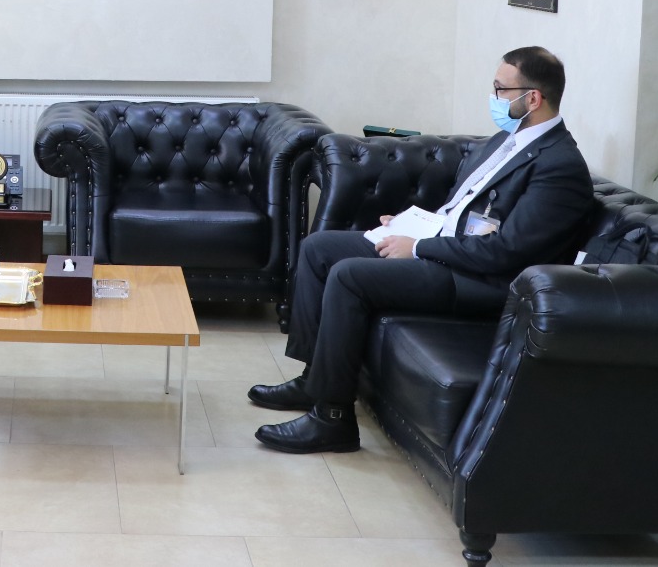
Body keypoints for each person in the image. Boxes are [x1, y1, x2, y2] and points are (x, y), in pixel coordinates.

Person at [249, 46, 596, 454]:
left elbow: (506, 252)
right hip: (450, 250)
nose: (493, 98)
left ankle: (332, 419)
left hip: (482, 280)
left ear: (533, 98)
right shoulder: (506, 140)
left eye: (500, 89)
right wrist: (409, 224)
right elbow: (460, 210)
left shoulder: (559, 166)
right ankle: (314, 380)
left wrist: (419, 248)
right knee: (319, 249)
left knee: (350, 276)